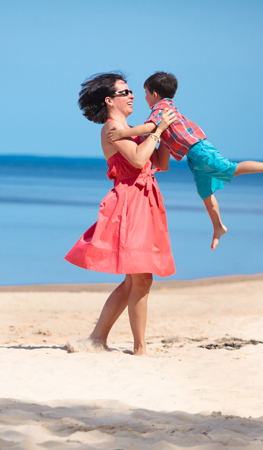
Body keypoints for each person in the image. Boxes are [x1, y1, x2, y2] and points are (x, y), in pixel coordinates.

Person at [107, 71, 263, 250]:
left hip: (199, 150)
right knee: (205, 191)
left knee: (228, 168)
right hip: (193, 156)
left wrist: (124, 132)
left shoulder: (161, 107)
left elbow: (149, 127)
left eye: (145, 93)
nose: (143, 98)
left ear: (154, 95)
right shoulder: (166, 106)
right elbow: (158, 138)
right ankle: (218, 226)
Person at [65, 72, 176, 356]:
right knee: (140, 278)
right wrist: (156, 130)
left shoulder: (133, 129)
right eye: (125, 92)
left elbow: (160, 163)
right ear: (109, 100)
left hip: (145, 200)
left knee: (134, 279)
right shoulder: (112, 128)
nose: (132, 96)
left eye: (130, 92)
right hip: (129, 203)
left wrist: (169, 133)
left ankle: (97, 339)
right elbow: (139, 161)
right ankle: (139, 348)